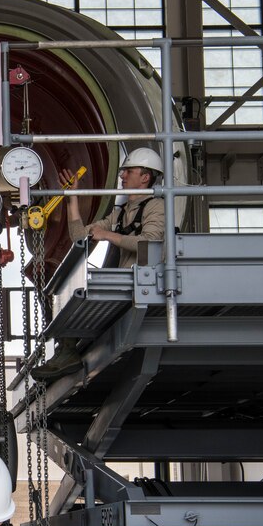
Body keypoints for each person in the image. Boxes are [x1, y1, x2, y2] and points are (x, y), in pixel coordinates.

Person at [32, 147, 166, 380]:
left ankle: (67, 352)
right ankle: (65, 350)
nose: (122, 176)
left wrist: (108, 236)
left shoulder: (156, 207)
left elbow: (150, 242)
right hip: (127, 281)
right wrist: (71, 198)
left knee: (77, 295)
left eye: (129, 171)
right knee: (57, 293)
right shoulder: (122, 213)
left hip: (141, 282)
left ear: (146, 177)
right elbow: (79, 237)